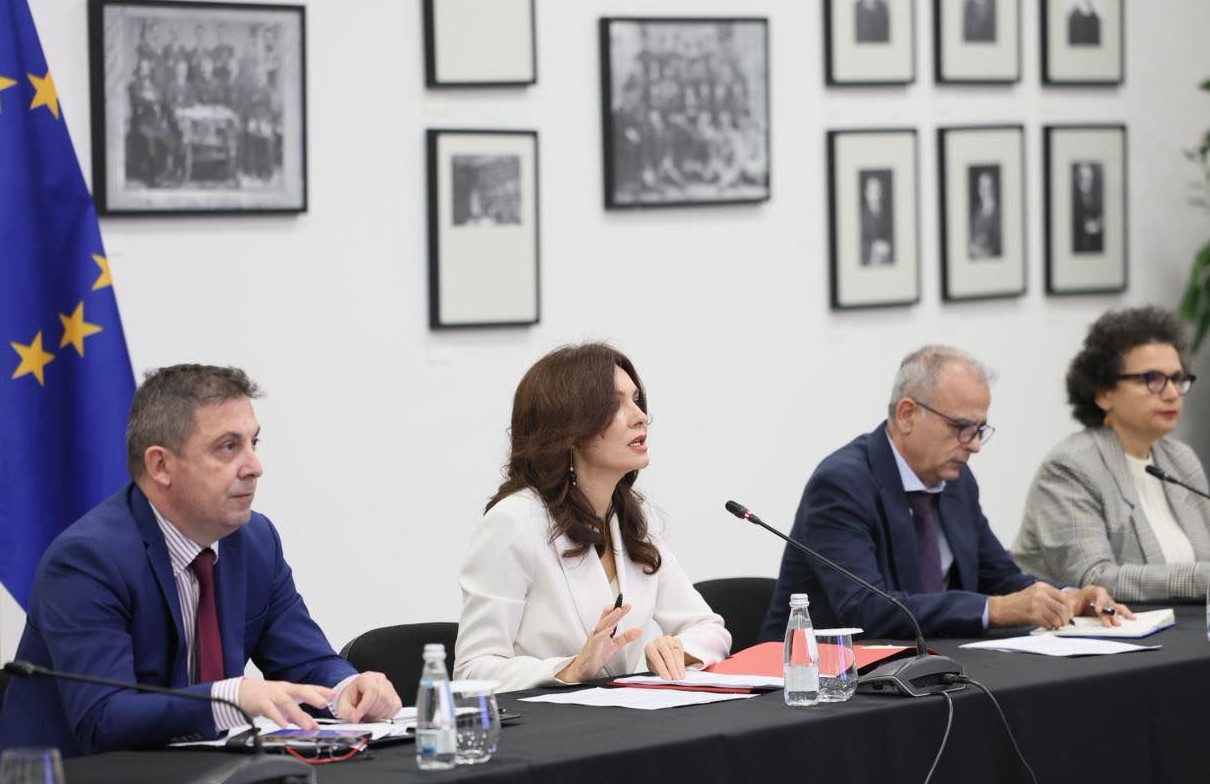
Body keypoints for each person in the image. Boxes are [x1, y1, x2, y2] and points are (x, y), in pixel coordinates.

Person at [0, 365, 401, 756]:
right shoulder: (87, 560)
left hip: (201, 769)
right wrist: (230, 698)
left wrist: (346, 689)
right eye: (228, 447)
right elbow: (103, 718)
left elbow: (306, 661)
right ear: (161, 466)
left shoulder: (255, 542)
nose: (255, 467)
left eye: (254, 443)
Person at [761, 346, 1127, 641]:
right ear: (907, 414)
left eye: (980, 430)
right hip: (818, 682)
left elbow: (1000, 577)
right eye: (961, 427)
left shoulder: (956, 482)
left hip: (925, 669)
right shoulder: (843, 484)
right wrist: (995, 609)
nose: (975, 445)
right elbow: (867, 610)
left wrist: (1066, 596)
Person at [454, 343, 731, 692]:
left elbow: (709, 628)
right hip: (547, 724)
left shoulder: (631, 517)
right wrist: (570, 668)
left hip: (623, 717)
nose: (640, 416)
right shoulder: (514, 521)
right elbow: (472, 670)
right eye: (616, 404)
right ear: (569, 430)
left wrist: (678, 650)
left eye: (636, 400)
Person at [1014, 307, 1210, 602]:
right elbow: (1095, 579)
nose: (1171, 393)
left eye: (1176, 378)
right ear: (1104, 393)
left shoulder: (1180, 460)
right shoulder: (1070, 468)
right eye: (1152, 379)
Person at [859, 171, 894, 267]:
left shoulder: (888, 214)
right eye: (872, 190)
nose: (875, 194)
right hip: (868, 261)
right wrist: (872, 248)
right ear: (866, 193)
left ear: (881, 193)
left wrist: (889, 247)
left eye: (878, 190)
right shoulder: (860, 215)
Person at [968, 168, 1001, 259]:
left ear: (994, 188)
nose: (986, 191)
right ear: (979, 190)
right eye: (983, 187)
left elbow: (999, 246)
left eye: (989, 187)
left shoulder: (999, 213)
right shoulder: (977, 211)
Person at [1072, 161, 1104, 254]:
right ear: (1077, 179)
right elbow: (1081, 226)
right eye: (1082, 178)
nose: (1086, 183)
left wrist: (1099, 223)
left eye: (1089, 179)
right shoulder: (1075, 199)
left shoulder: (1092, 198)